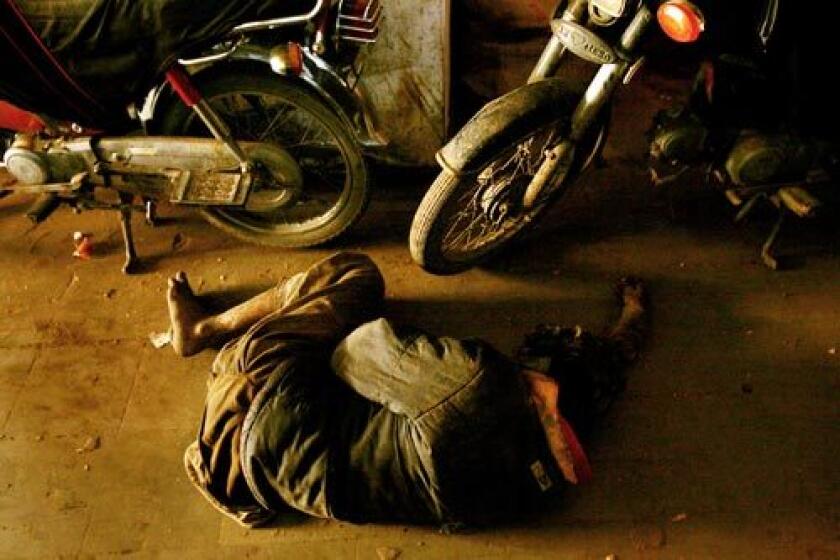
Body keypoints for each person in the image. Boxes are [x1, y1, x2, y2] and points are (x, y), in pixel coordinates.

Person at [165, 252, 648, 529]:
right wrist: (633, 313)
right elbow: (616, 358)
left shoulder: (480, 381)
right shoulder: (535, 494)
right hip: (269, 483)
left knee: (356, 277)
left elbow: (355, 351)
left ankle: (207, 329)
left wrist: (423, 353)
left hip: (261, 400)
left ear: (540, 389)